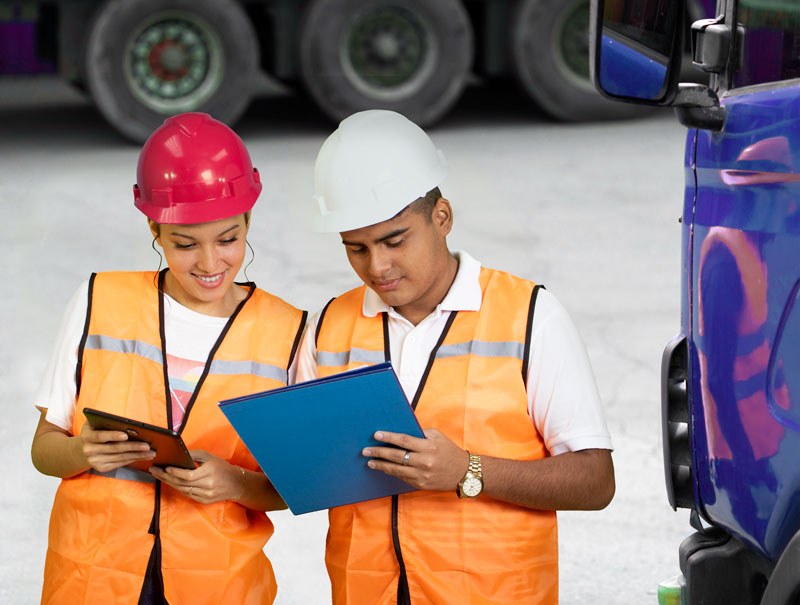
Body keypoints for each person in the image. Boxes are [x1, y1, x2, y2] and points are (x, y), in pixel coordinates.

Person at [296, 109, 615, 604]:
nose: (377, 267)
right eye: (355, 248)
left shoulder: (530, 315)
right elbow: (308, 467)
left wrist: (468, 471)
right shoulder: (330, 326)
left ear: (441, 217)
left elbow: (595, 481)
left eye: (394, 240)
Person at [31, 112, 306, 604]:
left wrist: (235, 482)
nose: (208, 263)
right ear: (156, 229)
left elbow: (296, 485)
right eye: (184, 244)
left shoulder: (289, 332)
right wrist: (81, 452)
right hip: (94, 581)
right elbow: (44, 448)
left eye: (228, 239)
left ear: (248, 221)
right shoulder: (100, 300)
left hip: (216, 586)